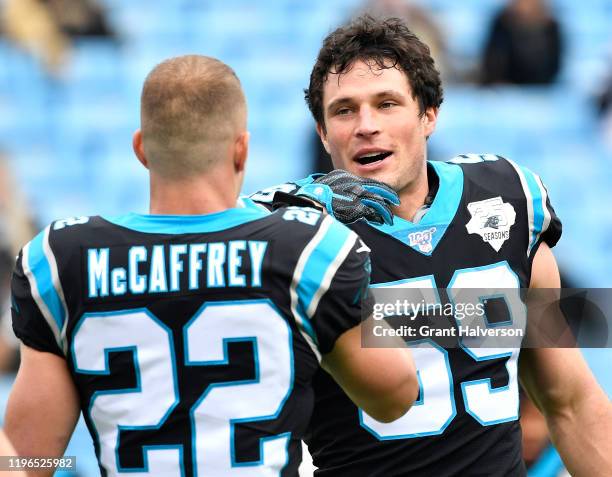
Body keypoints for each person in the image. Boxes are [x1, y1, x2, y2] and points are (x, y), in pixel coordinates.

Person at [3, 54, 419, 476]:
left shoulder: (61, 258)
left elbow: (26, 460)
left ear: (141, 149)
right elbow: (395, 396)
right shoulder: (308, 248)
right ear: (242, 150)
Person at [252, 15, 612, 476]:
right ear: (322, 133)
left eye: (387, 104)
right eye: (344, 110)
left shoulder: (505, 200)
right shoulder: (294, 232)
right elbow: (195, 231)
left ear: (428, 114)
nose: (366, 125)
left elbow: (570, 401)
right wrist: (292, 219)